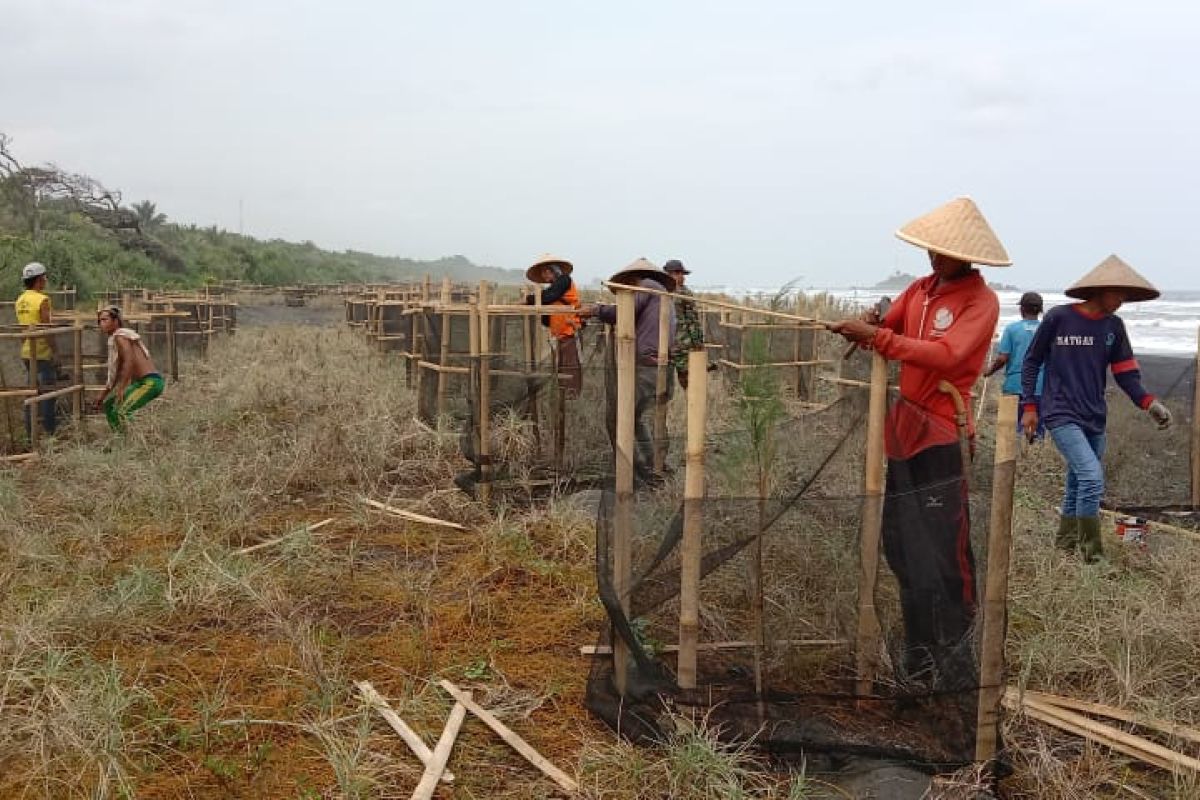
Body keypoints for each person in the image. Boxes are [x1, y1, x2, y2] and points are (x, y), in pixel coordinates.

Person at [830, 196, 1008, 682]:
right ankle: (918, 647)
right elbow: (890, 326)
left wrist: (879, 339)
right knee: (902, 545)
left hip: (941, 435)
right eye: (929, 249)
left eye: (943, 250)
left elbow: (947, 355)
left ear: (967, 255)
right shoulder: (919, 289)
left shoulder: (980, 302)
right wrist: (870, 325)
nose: (932, 257)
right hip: (904, 433)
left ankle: (957, 652)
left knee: (945, 549)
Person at [1021, 255, 1172, 562]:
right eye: (1118, 293)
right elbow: (1032, 360)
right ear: (1101, 289)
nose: (1122, 300)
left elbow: (1126, 373)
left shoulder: (1114, 326)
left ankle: (1065, 548)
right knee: (1091, 477)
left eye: (1126, 296)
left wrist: (1149, 403)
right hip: (1060, 411)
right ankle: (1092, 556)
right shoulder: (1058, 318)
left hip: (1094, 416)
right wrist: (1030, 406)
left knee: (1077, 481)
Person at [588, 259, 677, 488]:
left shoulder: (646, 286)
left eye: (625, 287)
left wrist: (595, 310)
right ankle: (651, 466)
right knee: (636, 418)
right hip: (658, 362)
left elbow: (624, 311)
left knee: (624, 417)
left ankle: (642, 470)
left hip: (647, 364)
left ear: (631, 280)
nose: (624, 292)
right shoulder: (660, 294)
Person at [985, 291, 1045, 439]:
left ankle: (1014, 459)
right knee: (1036, 431)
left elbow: (1003, 358)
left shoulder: (1012, 329)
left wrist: (989, 372)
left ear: (1022, 309)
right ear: (1040, 310)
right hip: (1041, 387)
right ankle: (1032, 458)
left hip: (1014, 386)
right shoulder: (1047, 329)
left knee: (1010, 432)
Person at [96, 306, 164, 430]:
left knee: (121, 412)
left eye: (105, 320)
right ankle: (119, 439)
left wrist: (122, 388)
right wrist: (103, 395)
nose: (101, 324)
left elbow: (129, 360)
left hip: (150, 383)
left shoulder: (120, 337)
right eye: (100, 321)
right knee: (110, 405)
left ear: (115, 321)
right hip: (140, 383)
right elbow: (114, 374)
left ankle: (131, 441)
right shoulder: (117, 338)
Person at [524, 254, 584, 396]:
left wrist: (528, 299)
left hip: (569, 332)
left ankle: (571, 398)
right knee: (561, 367)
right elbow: (546, 313)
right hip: (559, 334)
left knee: (570, 367)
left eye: (546, 271)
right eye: (542, 273)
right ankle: (562, 395)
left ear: (554, 271)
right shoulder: (554, 289)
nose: (544, 275)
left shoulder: (564, 281)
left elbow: (547, 297)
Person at [14, 261, 58, 438]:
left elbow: (22, 330)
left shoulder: (20, 300)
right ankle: (49, 433)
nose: (45, 280)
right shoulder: (42, 300)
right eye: (44, 277)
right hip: (41, 352)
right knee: (48, 392)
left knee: (31, 390)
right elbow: (47, 328)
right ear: (39, 279)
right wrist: (55, 351)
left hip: (27, 352)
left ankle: (30, 431)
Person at [664, 259, 705, 390]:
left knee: (683, 382)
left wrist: (698, 343)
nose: (682, 277)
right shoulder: (671, 292)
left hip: (675, 345)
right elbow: (692, 321)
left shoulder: (677, 293)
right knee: (682, 383)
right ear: (671, 274)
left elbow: (692, 320)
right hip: (675, 345)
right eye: (679, 274)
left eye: (682, 274)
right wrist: (698, 343)